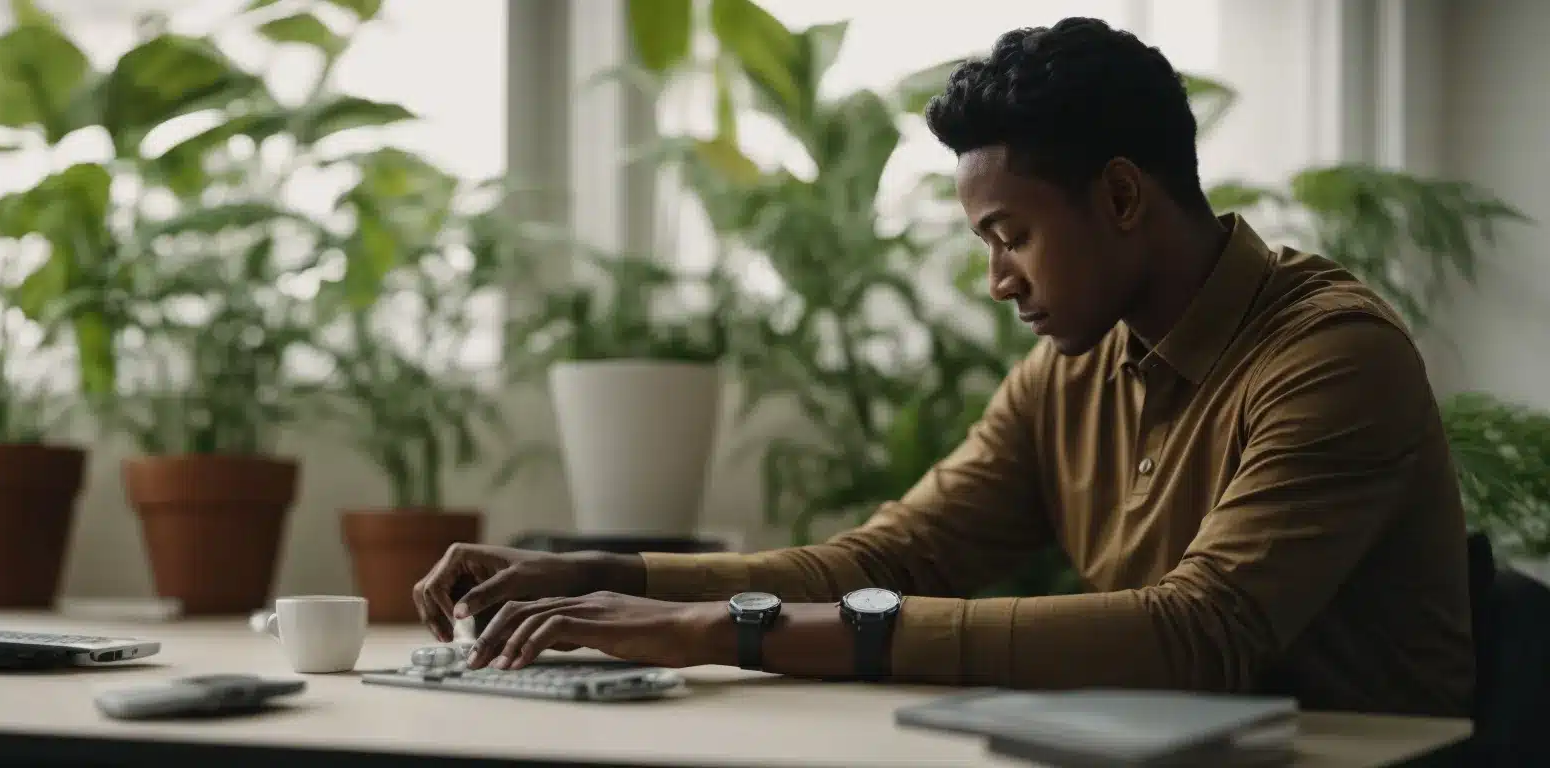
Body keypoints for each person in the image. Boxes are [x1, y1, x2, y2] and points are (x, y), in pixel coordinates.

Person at [414, 17, 1474, 718]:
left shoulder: (1331, 356)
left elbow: (1198, 634)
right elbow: (898, 558)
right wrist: (599, 578)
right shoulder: (1072, 368)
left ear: (1117, 198)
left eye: (1008, 234)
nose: (996, 280)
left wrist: (716, 629)